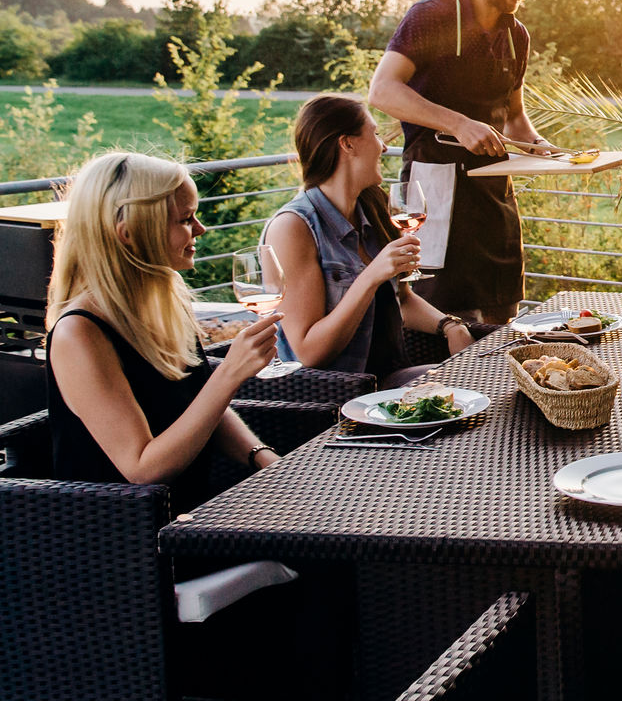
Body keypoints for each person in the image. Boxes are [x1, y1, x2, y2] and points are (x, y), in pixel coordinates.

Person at [45, 152, 284, 513]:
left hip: (193, 514)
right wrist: (229, 375)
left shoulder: (163, 299)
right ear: (128, 233)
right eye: (186, 219)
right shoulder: (79, 333)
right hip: (125, 544)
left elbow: (201, 406)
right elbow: (142, 469)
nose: (201, 229)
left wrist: (266, 461)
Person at [368, 0, 555, 323]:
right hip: (432, 201)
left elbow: (516, 117)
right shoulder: (430, 17)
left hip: (494, 202)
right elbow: (382, 90)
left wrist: (541, 148)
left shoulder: (516, 35)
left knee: (503, 328)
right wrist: (457, 123)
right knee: (442, 330)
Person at [263, 94, 478, 388]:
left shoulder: (370, 207)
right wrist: (372, 275)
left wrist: (450, 326)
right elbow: (309, 352)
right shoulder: (293, 227)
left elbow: (401, 299)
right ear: (347, 143)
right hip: (331, 396)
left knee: (486, 377)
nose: (384, 146)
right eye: (375, 134)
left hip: (387, 380)